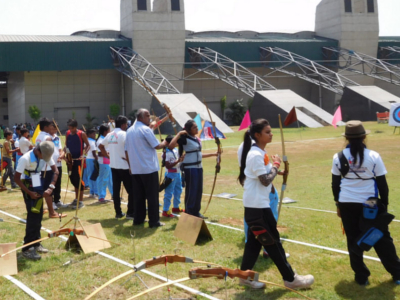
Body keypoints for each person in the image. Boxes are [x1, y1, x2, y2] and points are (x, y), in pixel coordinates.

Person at [238, 119, 314, 289]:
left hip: (257, 205)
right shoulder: (255, 154)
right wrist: (276, 165)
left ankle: (244, 275)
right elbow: (265, 180)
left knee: (254, 243)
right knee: (273, 242)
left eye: (271, 131)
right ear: (257, 135)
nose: (271, 134)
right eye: (267, 132)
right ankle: (290, 279)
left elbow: (265, 174)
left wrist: (277, 170)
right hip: (257, 207)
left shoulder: (260, 153)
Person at [331, 120, 400, 286]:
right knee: (381, 237)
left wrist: (338, 205)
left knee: (353, 238)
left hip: (347, 203)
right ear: (364, 137)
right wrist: (384, 206)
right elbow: (382, 184)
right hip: (370, 204)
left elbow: (335, 185)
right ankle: (397, 274)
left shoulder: (338, 157)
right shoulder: (374, 156)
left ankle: (361, 277)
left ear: (346, 138)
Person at [14, 141, 58, 260]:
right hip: (27, 184)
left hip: (37, 181)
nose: (45, 159)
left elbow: (56, 171)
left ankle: (36, 243)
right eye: (43, 156)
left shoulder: (45, 153)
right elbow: (16, 178)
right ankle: (27, 248)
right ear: (38, 151)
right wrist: (29, 193)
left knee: (38, 215)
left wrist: (51, 187)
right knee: (33, 215)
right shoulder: (25, 159)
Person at [125, 109, 167, 227]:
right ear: (141, 117)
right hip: (148, 168)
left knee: (139, 196)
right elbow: (157, 145)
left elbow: (126, 151)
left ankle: (138, 219)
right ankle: (154, 221)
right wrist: (165, 143)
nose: (150, 118)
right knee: (152, 196)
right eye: (148, 116)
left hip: (136, 168)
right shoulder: (145, 129)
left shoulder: (129, 131)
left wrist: (130, 166)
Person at [168, 120, 218, 218]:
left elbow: (198, 154)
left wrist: (213, 154)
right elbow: (171, 146)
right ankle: (189, 212)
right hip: (190, 169)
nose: (197, 128)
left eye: (196, 126)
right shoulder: (185, 139)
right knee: (192, 190)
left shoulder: (196, 138)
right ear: (189, 130)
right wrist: (179, 133)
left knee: (198, 190)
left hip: (199, 167)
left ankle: (196, 211)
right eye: (194, 127)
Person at [99, 116, 134, 218]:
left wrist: (108, 155)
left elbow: (101, 146)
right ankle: (130, 212)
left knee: (116, 190)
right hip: (124, 166)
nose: (127, 126)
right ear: (123, 125)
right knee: (131, 191)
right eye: (126, 124)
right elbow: (128, 150)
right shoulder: (125, 134)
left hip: (114, 166)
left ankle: (118, 212)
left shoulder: (110, 134)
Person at [64, 119, 90, 209]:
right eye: (69, 128)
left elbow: (88, 145)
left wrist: (84, 155)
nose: (70, 130)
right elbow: (66, 146)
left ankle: (81, 201)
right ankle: (76, 199)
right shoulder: (67, 133)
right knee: (73, 179)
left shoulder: (81, 134)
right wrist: (65, 155)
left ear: (75, 127)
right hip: (70, 161)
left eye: (72, 128)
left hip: (79, 161)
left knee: (79, 181)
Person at [161, 135, 185, 217]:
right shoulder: (166, 153)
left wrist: (182, 158)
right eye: (175, 141)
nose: (176, 143)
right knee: (169, 192)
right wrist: (178, 161)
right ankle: (165, 210)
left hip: (177, 173)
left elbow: (179, 159)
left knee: (178, 190)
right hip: (171, 174)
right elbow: (168, 166)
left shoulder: (175, 150)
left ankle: (176, 207)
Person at [49, 122, 65, 210]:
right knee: (52, 182)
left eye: (56, 129)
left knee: (58, 182)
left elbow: (60, 149)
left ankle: (57, 200)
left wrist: (61, 155)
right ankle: (51, 201)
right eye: (53, 128)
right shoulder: (47, 138)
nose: (54, 130)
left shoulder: (57, 138)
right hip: (51, 164)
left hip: (58, 163)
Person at [96, 124, 113, 204]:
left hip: (109, 161)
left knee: (110, 179)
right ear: (105, 131)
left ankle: (113, 194)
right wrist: (108, 153)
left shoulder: (106, 138)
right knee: (103, 179)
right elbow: (99, 153)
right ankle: (101, 196)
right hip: (104, 162)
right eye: (109, 130)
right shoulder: (100, 140)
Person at [85, 128, 99, 198]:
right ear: (89, 134)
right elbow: (94, 153)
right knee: (95, 176)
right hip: (92, 159)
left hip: (88, 159)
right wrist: (98, 159)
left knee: (90, 175)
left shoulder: (86, 141)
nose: (95, 135)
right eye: (93, 133)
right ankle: (95, 192)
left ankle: (91, 192)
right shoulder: (92, 142)